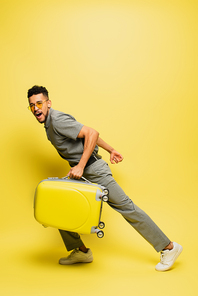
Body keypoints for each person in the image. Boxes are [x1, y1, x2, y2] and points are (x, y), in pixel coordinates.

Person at [27, 85, 183, 271]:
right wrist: (111, 150)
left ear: (48, 103)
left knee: (127, 208)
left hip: (94, 170)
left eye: (39, 103)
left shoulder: (57, 120)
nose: (36, 108)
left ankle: (169, 247)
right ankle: (81, 251)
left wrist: (81, 165)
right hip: (84, 171)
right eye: (32, 106)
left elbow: (92, 133)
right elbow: (85, 134)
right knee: (60, 205)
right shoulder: (49, 123)